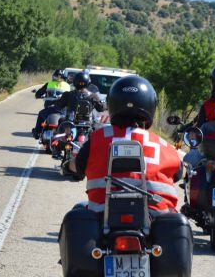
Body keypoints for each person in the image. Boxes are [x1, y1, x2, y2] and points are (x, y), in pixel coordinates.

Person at [71, 75, 183, 214]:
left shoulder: (97, 139)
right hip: (154, 216)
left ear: (113, 104)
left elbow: (78, 167)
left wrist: (69, 164)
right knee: (176, 220)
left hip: (103, 212)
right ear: (150, 105)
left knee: (78, 212)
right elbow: (178, 173)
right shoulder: (164, 146)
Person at [32, 71, 101, 139]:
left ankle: (38, 133)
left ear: (74, 82)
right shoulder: (93, 96)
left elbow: (59, 105)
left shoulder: (68, 94)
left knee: (57, 120)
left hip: (71, 121)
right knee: (97, 127)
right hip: (87, 122)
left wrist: (55, 104)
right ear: (88, 83)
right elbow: (101, 108)